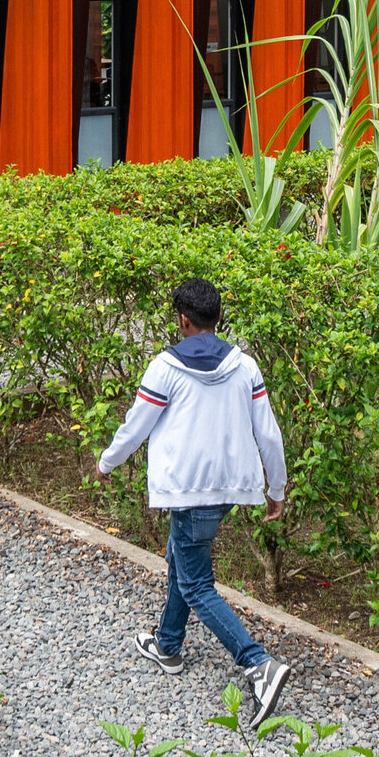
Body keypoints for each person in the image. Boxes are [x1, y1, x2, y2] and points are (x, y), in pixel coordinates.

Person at [96, 278, 293, 726]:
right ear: (217, 317)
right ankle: (168, 646)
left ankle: (258, 664)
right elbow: (269, 433)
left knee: (196, 584)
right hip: (229, 489)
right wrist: (276, 488)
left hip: (186, 491)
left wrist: (106, 463)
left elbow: (135, 427)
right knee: (180, 558)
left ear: (183, 320)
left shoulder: (165, 368)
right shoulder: (245, 367)